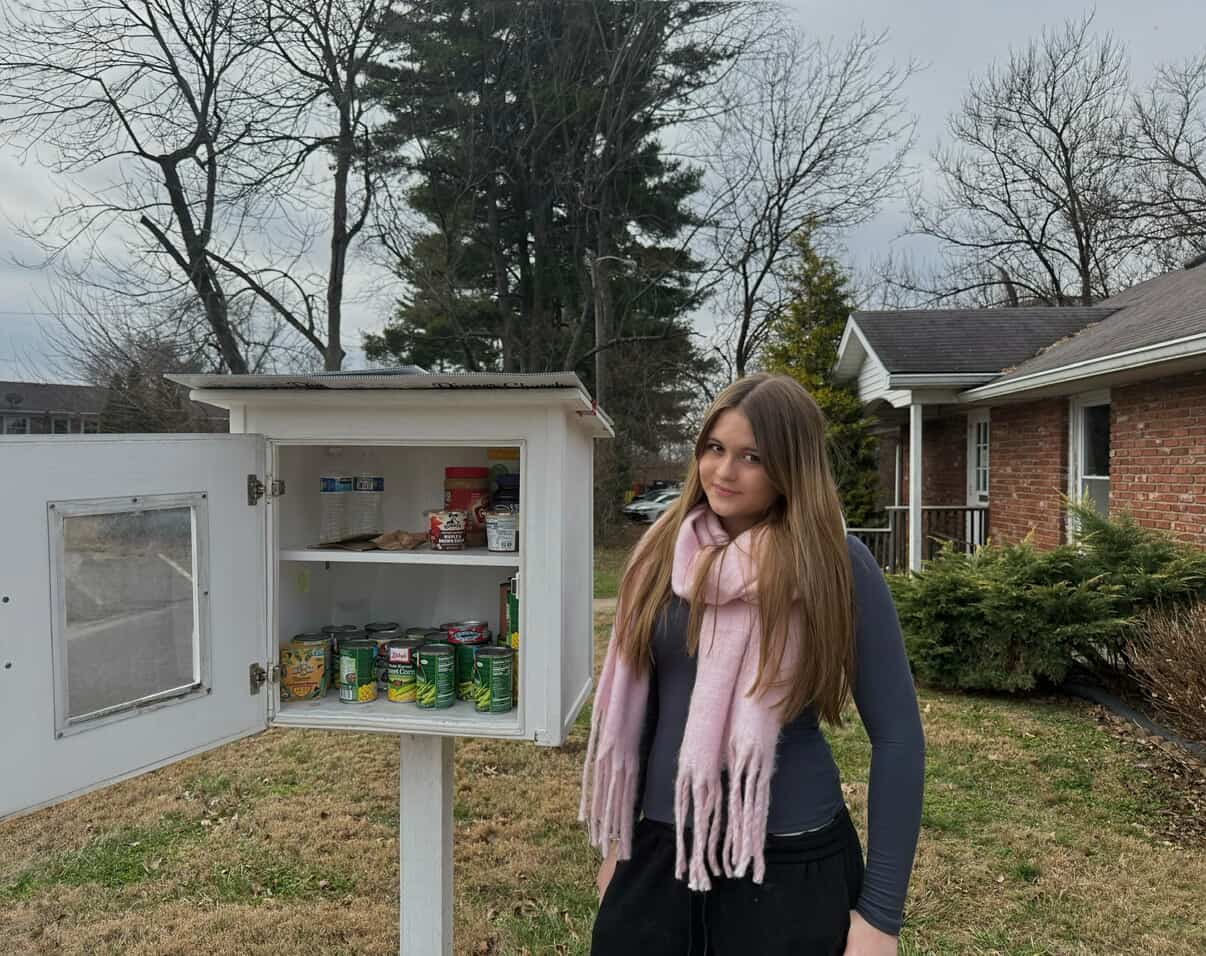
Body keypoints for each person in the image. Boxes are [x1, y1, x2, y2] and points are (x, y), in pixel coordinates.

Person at [579, 373, 925, 956]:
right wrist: (621, 843)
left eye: (751, 457)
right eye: (714, 448)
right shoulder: (662, 556)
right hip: (663, 850)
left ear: (791, 468)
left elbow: (898, 739)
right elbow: (645, 713)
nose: (723, 471)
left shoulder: (835, 563)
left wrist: (881, 917)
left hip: (789, 864)